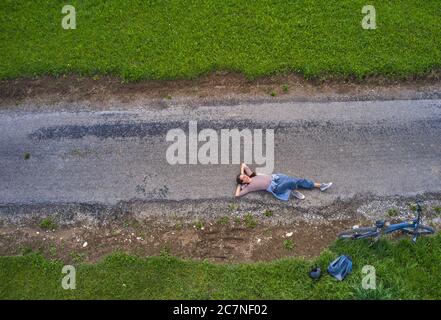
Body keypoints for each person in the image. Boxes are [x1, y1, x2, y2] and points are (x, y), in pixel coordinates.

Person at [234, 163, 332, 201]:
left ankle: (320, 186)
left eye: (245, 175)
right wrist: (239, 184)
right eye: (244, 178)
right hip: (276, 188)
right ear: (243, 182)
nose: (246, 177)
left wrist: (241, 173)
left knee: (299, 180)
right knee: (292, 182)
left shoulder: (251, 175)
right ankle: (293, 191)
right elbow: (237, 195)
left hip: (277, 178)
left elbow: (243, 165)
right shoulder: (249, 187)